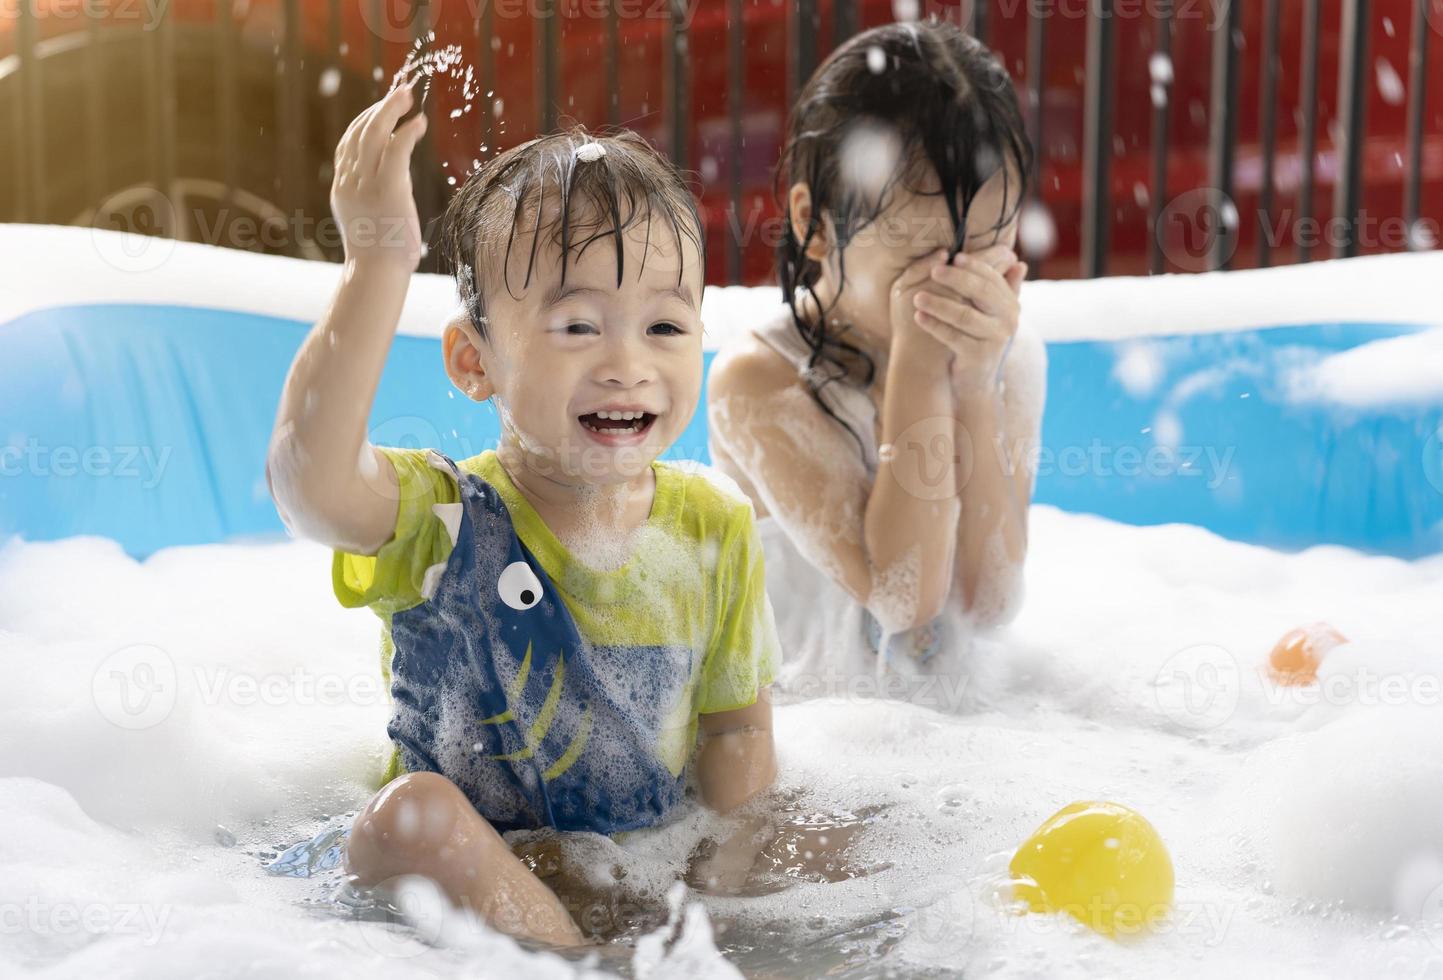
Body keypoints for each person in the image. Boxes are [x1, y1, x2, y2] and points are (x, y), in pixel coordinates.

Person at [265, 80, 781, 947]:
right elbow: (309, 484)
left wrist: (720, 910)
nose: (627, 364)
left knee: (840, 830)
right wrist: (378, 260)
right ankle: (580, 970)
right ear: (474, 362)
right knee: (413, 818)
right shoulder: (442, 521)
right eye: (578, 326)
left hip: (632, 871)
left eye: (663, 326)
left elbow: (736, 736)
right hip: (462, 885)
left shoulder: (711, 528)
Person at [706, 20, 1047, 682]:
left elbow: (989, 604)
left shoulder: (1009, 356)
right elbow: (903, 597)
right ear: (810, 223)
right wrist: (920, 373)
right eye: (921, 255)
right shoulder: (760, 383)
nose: (955, 281)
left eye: (983, 249)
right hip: (804, 723)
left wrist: (974, 388)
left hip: (942, 714)